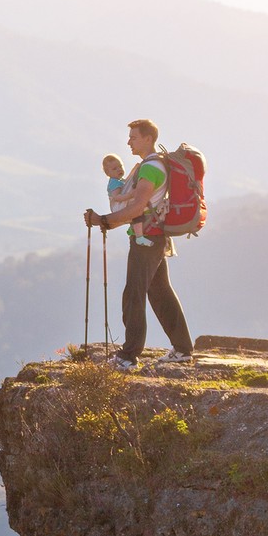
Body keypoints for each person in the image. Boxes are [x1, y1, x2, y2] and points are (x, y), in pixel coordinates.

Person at [84, 119, 193, 370]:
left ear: (147, 138)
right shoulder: (154, 165)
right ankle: (182, 349)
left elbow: (137, 207)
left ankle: (128, 357)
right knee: (160, 293)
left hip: (146, 241)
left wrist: (103, 220)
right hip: (154, 237)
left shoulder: (150, 169)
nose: (129, 142)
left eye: (133, 137)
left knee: (133, 295)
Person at [103, 154, 152, 247]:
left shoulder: (120, 180)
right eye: (114, 169)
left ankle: (139, 235)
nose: (119, 169)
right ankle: (139, 237)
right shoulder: (114, 182)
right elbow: (117, 197)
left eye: (120, 166)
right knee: (137, 210)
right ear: (107, 173)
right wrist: (130, 195)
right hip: (117, 206)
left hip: (121, 203)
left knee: (137, 211)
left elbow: (125, 186)